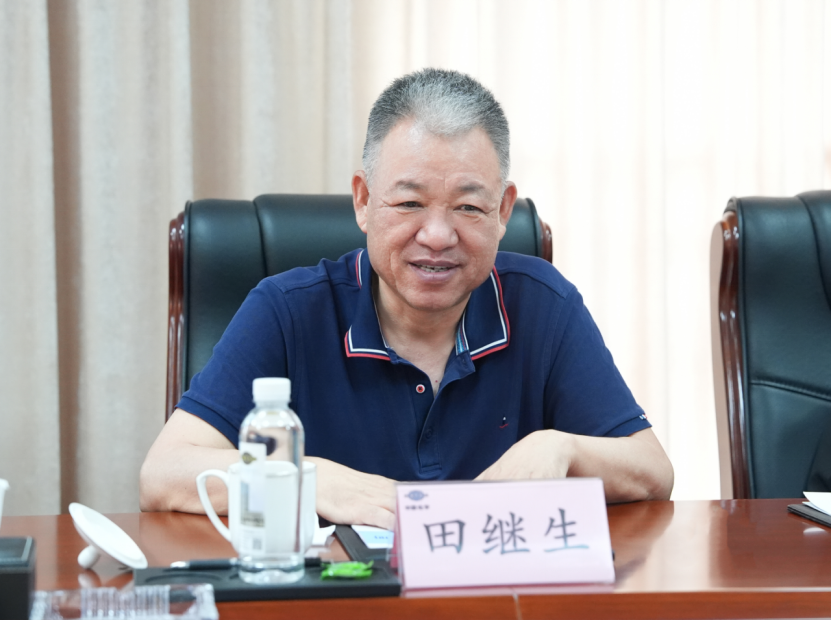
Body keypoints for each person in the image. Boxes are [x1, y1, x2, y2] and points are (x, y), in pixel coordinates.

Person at [140, 68, 673, 529]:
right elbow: (163, 475)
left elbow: (653, 471)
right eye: (410, 203)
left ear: (503, 211)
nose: (437, 236)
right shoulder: (287, 310)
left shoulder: (543, 305)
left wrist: (561, 447)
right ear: (363, 201)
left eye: (468, 208)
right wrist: (308, 478)